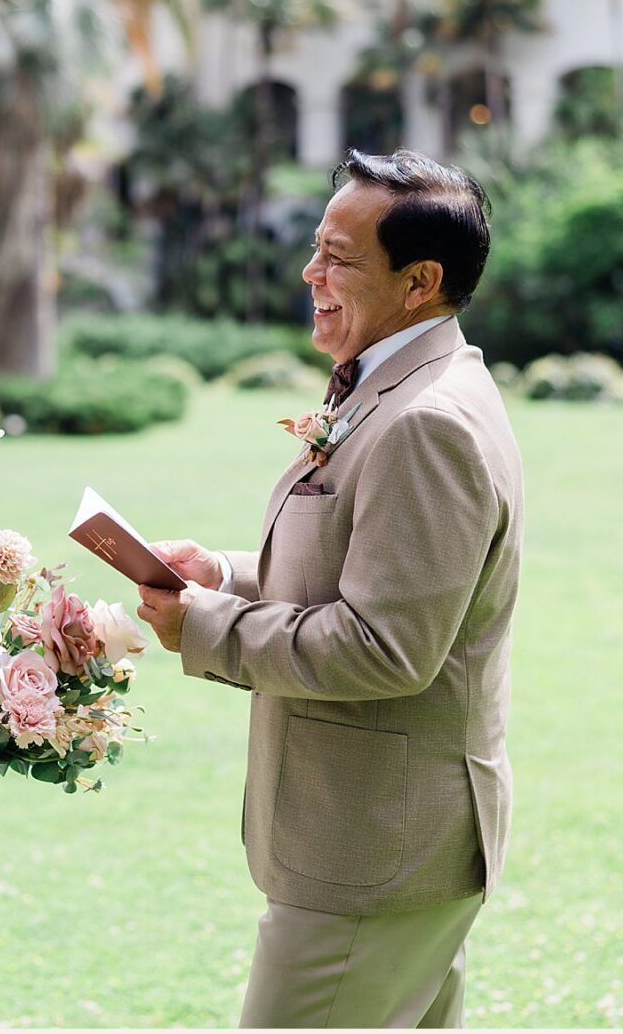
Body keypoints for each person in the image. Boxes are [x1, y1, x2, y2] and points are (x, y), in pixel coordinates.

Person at [138, 149, 523, 1028]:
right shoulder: (397, 385)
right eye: (317, 247)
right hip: (383, 841)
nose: (311, 272)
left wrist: (209, 625)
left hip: (374, 852)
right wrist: (224, 573)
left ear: (420, 281)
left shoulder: (427, 422)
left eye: (340, 257)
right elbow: (361, 569)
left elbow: (387, 645)